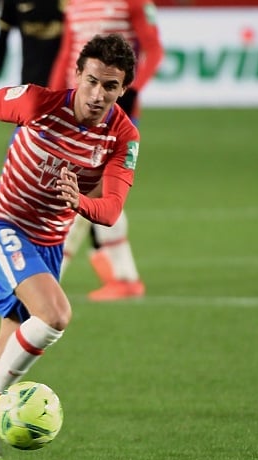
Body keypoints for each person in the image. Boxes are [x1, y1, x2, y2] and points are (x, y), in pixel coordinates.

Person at [0, 33, 139, 460]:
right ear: (77, 75)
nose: (98, 95)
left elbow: (112, 210)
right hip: (2, 223)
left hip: (48, 244)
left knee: (6, 351)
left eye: (111, 87)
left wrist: (80, 202)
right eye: (93, 81)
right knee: (55, 315)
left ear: (123, 90)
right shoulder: (39, 103)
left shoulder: (122, 137)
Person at [48, 0, 164, 302]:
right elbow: (67, 53)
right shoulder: (74, 4)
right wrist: (52, 98)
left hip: (112, 109)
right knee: (89, 187)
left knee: (92, 186)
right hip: (75, 108)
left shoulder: (133, 2)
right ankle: (122, 277)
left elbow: (154, 50)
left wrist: (132, 91)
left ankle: (55, 273)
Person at [0, 0, 64, 90]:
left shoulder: (72, 3)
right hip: (29, 85)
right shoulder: (14, 3)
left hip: (63, 87)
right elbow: (0, 47)